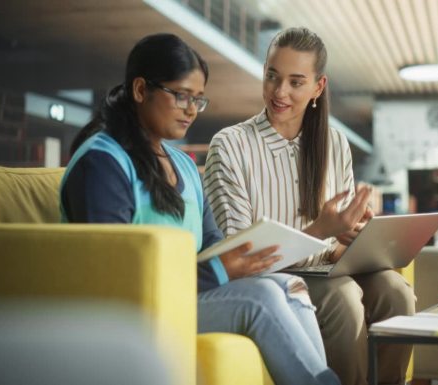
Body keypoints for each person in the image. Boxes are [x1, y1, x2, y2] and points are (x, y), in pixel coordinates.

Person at [60, 33, 339, 385]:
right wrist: (221, 271)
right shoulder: (103, 163)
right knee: (261, 297)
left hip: (182, 293)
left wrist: (233, 263)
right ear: (140, 90)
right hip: (131, 308)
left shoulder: (184, 166)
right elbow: (117, 277)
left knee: (290, 286)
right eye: (180, 96)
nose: (191, 109)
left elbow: (211, 243)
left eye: (197, 99)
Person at [204, 27, 416, 385]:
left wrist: (356, 240)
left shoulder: (334, 143)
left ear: (318, 87)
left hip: (326, 270)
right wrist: (321, 231)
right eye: (272, 76)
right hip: (269, 280)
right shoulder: (230, 146)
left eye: (295, 82)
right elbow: (241, 258)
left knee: (397, 294)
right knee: (344, 298)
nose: (279, 91)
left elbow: (336, 247)